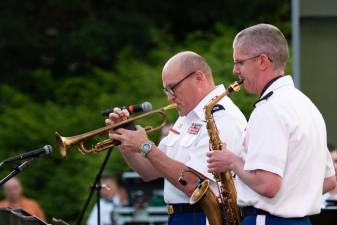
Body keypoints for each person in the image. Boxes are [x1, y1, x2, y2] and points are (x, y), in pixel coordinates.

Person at [207, 23, 337, 225]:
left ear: (262, 61)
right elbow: (329, 181)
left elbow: (267, 185)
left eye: (239, 62)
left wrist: (232, 161)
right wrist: (291, 198)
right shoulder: (307, 105)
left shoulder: (270, 109)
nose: (235, 71)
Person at [106, 51, 247, 225]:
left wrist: (145, 146)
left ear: (198, 77)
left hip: (202, 217)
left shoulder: (222, 117)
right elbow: (148, 172)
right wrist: (124, 136)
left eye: (173, 88)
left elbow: (193, 184)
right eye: (166, 90)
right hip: (180, 216)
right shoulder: (187, 116)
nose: (170, 96)